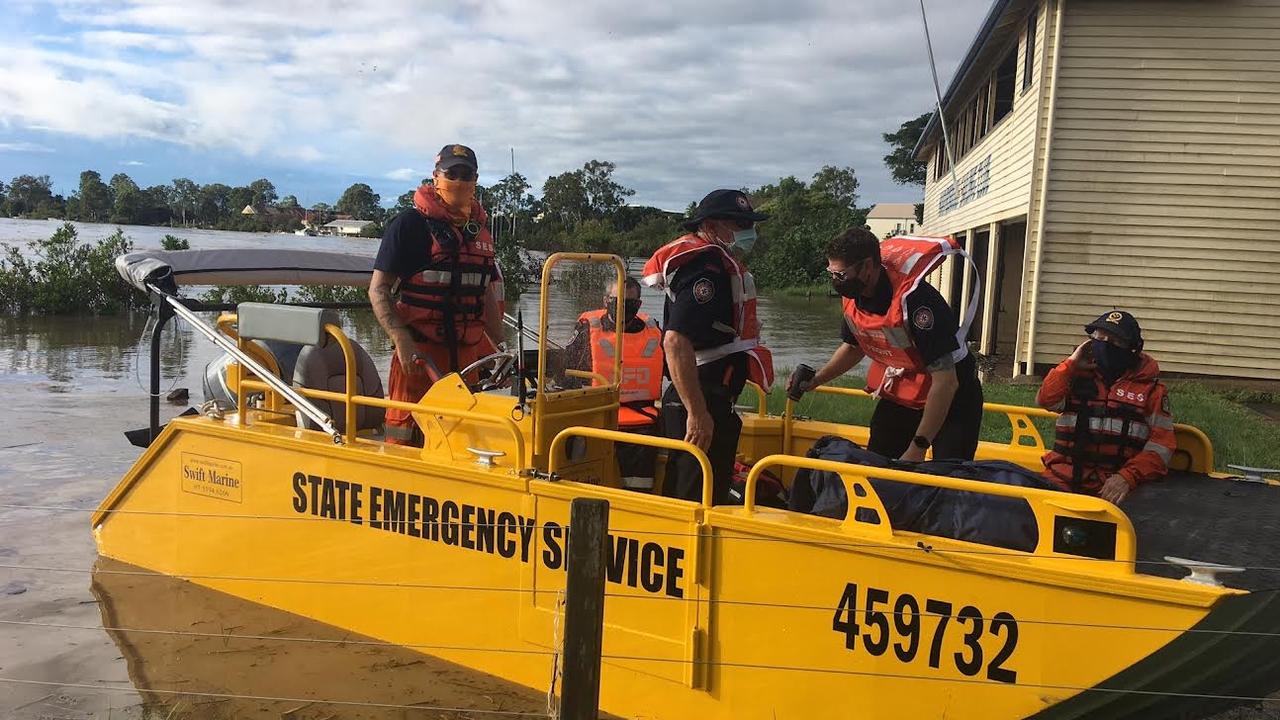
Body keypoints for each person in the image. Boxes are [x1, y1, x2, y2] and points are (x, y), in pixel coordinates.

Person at [792, 227, 984, 462]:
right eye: (831, 273)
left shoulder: (917, 304)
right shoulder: (855, 297)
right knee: (878, 462)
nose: (835, 281)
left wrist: (919, 446)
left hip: (953, 394)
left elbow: (946, 382)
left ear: (868, 266)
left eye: (841, 275)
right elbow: (853, 348)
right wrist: (816, 380)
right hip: (907, 387)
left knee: (948, 475)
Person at [642, 189, 774, 504]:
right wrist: (697, 413)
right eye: (740, 223)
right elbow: (675, 342)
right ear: (712, 226)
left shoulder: (718, 267)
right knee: (691, 495)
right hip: (700, 400)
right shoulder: (707, 273)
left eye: (749, 223)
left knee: (707, 491)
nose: (748, 231)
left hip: (713, 401)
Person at [368, 144, 505, 445]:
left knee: (467, 444)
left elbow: (485, 296)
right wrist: (401, 339)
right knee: (406, 437)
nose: (458, 180)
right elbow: (378, 289)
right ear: (435, 177)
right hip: (418, 359)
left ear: (475, 180)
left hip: (468, 361)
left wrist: (502, 347)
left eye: (465, 174)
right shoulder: (410, 225)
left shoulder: (480, 232)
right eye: (451, 172)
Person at [1037, 310, 1175, 503]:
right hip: (1061, 480)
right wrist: (1070, 364)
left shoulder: (1152, 391)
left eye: (1115, 341)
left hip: (1118, 490)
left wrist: (1127, 477)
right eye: (1099, 337)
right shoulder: (1074, 376)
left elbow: (1162, 447)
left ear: (1132, 349)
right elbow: (1046, 400)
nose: (1105, 345)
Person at [564, 276, 665, 490]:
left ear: (638, 304)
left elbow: (673, 369)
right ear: (606, 300)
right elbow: (566, 374)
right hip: (595, 414)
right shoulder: (588, 329)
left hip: (641, 419)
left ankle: (638, 505)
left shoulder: (654, 332)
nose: (623, 307)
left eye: (630, 303)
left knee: (643, 470)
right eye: (617, 301)